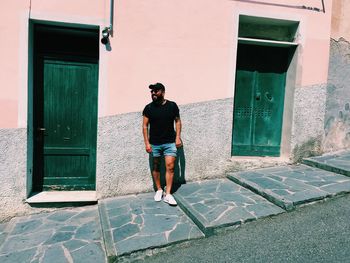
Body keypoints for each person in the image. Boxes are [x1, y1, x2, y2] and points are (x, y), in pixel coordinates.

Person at [142, 82, 182, 206]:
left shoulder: (172, 106)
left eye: (156, 91)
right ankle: (159, 189)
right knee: (156, 166)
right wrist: (147, 143)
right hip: (155, 143)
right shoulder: (148, 108)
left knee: (170, 166)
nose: (153, 93)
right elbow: (144, 126)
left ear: (163, 92)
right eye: (152, 91)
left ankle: (168, 193)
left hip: (170, 142)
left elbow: (178, 122)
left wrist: (178, 138)